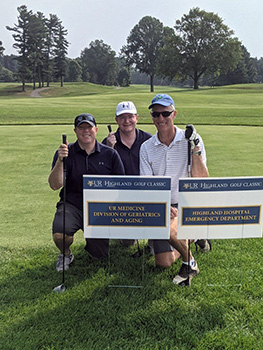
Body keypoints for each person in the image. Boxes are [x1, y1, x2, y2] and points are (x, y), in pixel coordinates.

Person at [140, 94, 209, 286]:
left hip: (188, 203)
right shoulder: (146, 147)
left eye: (165, 114)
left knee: (170, 231)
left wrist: (195, 149)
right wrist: (161, 205)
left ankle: (190, 263)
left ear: (174, 114)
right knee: (164, 262)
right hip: (164, 203)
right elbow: (147, 185)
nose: (161, 119)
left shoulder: (192, 140)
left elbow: (202, 180)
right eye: (156, 114)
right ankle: (194, 237)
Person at [48, 113, 125, 271]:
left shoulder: (110, 154)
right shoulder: (65, 153)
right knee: (60, 234)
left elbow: (120, 186)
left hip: (100, 209)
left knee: (100, 255)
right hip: (72, 205)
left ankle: (94, 243)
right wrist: (60, 161)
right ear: (75, 131)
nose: (85, 131)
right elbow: (55, 185)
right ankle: (66, 254)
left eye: (89, 127)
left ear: (96, 129)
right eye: (81, 128)